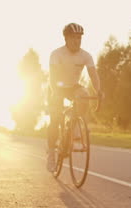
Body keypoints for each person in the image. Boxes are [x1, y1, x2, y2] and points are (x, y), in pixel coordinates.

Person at [46, 22, 103, 172]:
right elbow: (53, 77)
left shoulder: (85, 55)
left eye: (79, 38)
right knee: (55, 118)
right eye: (73, 38)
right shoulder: (57, 54)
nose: (77, 41)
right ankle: (51, 152)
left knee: (84, 94)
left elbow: (93, 75)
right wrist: (55, 93)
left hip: (72, 87)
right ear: (66, 39)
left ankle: (74, 126)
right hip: (56, 86)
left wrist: (98, 90)